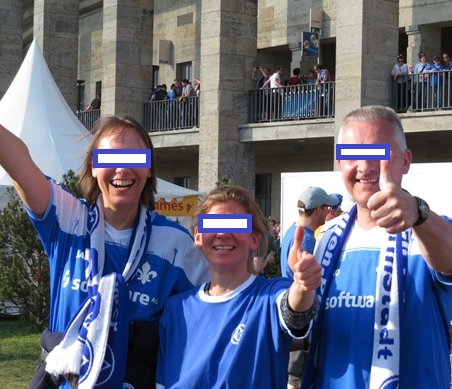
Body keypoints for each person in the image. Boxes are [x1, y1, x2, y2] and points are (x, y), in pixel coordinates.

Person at [0, 68, 209, 389]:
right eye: (110, 157)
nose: (123, 168)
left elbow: (209, 322)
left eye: (135, 157)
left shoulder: (177, 245)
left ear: (149, 167)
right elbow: (22, 168)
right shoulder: (69, 220)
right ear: (94, 166)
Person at [295, 105, 452, 388]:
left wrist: (418, 213)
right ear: (340, 163)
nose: (365, 167)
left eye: (379, 153)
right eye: (352, 155)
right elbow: (302, 334)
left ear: (405, 161)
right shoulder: (327, 237)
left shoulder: (428, 229)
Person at [156, 185, 321, 388]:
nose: (223, 233)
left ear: (254, 239)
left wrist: (303, 285)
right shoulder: (176, 309)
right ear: (198, 236)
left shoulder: (269, 297)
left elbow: (294, 309)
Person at [280, 187, 339, 389]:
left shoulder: (291, 231)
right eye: (327, 208)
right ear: (319, 210)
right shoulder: (306, 239)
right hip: (301, 315)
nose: (329, 212)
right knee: (296, 378)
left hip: (293, 312)